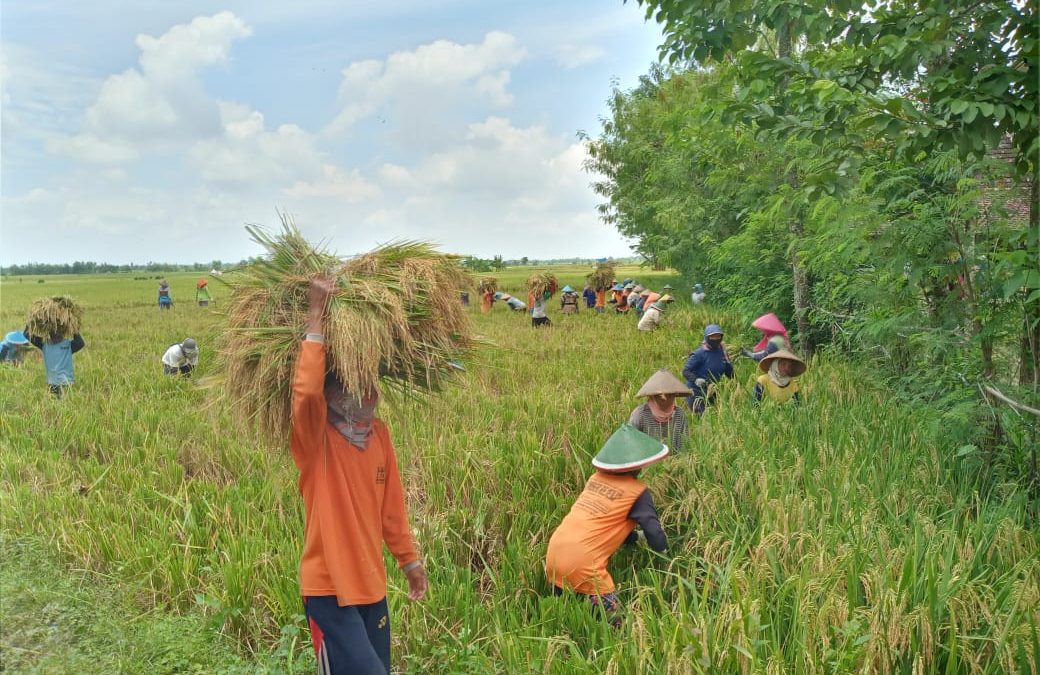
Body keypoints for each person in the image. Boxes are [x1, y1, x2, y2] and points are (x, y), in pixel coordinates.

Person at [293, 276, 427, 675]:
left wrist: (408, 560)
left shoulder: (379, 436)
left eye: (371, 386)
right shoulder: (316, 439)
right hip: (329, 591)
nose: (368, 395)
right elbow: (305, 393)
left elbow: (392, 509)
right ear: (334, 394)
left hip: (372, 586)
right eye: (356, 387)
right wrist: (316, 315)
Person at [545, 424, 669, 626]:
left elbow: (606, 525)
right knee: (621, 629)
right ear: (638, 465)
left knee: (568, 619)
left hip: (554, 557)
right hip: (584, 565)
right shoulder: (637, 492)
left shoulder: (595, 479)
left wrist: (636, 538)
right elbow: (654, 533)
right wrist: (666, 555)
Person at [628, 369, 691, 451]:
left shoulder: (679, 414)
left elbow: (684, 445)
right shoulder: (640, 414)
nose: (664, 399)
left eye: (669, 395)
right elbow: (631, 442)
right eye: (660, 396)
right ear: (652, 396)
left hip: (674, 460)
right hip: (648, 460)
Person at [682, 324, 734, 414]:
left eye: (718, 336)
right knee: (703, 416)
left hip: (712, 389)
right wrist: (696, 380)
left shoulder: (722, 352)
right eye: (712, 337)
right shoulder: (699, 354)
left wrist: (735, 384)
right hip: (696, 391)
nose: (716, 339)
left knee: (714, 415)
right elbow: (685, 371)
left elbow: (729, 372)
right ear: (707, 337)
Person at [26, 329, 85, 398]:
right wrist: (32, 321)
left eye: (58, 330)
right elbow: (27, 335)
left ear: (63, 332)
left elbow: (81, 343)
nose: (56, 333)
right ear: (49, 333)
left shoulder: (68, 345)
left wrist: (73, 327)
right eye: (53, 331)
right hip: (53, 385)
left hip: (66, 384)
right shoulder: (45, 344)